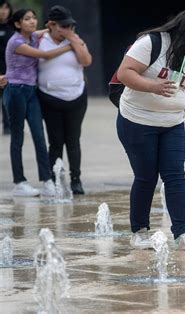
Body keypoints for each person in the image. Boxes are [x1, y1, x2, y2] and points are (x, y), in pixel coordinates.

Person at [116, 6, 185, 251]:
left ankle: (183, 233)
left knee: (175, 176)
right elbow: (124, 73)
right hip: (137, 120)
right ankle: (139, 231)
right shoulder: (152, 43)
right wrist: (152, 86)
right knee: (146, 176)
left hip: (172, 123)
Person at [3, 8, 72, 197]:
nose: (32, 21)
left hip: (31, 92)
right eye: (27, 19)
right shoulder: (16, 41)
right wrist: (70, 45)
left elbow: (43, 32)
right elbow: (45, 55)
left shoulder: (32, 36)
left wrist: (51, 27)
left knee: (40, 137)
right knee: (17, 138)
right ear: (18, 24)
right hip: (15, 91)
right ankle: (19, 182)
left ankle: (47, 180)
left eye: (34, 18)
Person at [37, 5, 92, 195]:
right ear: (51, 24)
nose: (68, 29)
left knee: (73, 140)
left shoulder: (75, 40)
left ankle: (76, 179)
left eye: (70, 25)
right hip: (49, 97)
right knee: (56, 141)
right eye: (63, 26)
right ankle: (55, 179)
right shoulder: (39, 40)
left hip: (76, 97)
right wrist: (50, 30)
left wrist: (71, 39)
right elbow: (25, 37)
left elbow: (86, 61)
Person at [0, 0, 13, 134]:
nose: (3, 11)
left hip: (9, 69)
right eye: (1, 8)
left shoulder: (13, 27)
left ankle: (8, 126)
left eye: (5, 8)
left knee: (7, 99)